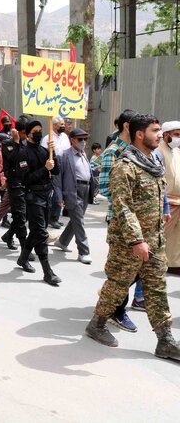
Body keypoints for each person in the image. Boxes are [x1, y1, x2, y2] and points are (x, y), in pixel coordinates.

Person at [85, 114, 180, 361]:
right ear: (140, 134)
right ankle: (96, 324)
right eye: (155, 130)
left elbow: (158, 199)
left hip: (155, 240)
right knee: (117, 286)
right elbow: (122, 206)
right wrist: (137, 240)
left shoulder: (154, 163)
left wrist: (163, 216)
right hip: (128, 242)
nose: (160, 135)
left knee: (157, 289)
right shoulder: (124, 166)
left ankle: (165, 341)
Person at [98, 109, 141, 331]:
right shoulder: (112, 152)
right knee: (123, 270)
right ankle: (116, 309)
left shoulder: (138, 152)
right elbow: (104, 187)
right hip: (121, 221)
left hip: (140, 221)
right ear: (127, 127)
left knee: (140, 268)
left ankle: (111, 295)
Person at [16, 120, 61, 286]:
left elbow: (56, 170)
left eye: (40, 130)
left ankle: (22, 258)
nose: (39, 133)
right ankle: (47, 272)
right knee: (41, 233)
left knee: (36, 231)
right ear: (28, 134)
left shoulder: (44, 151)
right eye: (35, 131)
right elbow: (25, 178)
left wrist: (53, 153)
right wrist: (44, 169)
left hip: (46, 194)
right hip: (33, 196)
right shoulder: (23, 153)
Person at [54, 129, 95, 264]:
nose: (83, 142)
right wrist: (59, 197)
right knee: (79, 221)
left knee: (76, 220)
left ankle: (62, 241)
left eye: (85, 139)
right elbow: (57, 179)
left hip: (86, 189)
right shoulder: (64, 156)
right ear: (72, 140)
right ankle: (84, 251)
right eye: (80, 139)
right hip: (72, 191)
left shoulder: (83, 154)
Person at [0, 116, 32, 250]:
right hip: (15, 183)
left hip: (27, 182)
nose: (27, 135)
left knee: (25, 214)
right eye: (25, 133)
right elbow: (13, 159)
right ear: (18, 132)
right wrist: (17, 143)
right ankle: (25, 249)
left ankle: (9, 235)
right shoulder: (8, 143)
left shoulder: (27, 144)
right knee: (20, 214)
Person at [159, 121, 180, 275]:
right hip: (166, 201)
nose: (179, 138)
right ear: (166, 135)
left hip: (178, 201)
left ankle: (173, 263)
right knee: (161, 235)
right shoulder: (158, 151)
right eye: (176, 135)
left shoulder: (177, 152)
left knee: (176, 236)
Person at [41, 116, 70, 229]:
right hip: (54, 167)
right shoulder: (48, 138)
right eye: (61, 124)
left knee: (61, 192)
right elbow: (44, 153)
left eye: (63, 124)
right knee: (55, 193)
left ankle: (56, 217)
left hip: (64, 165)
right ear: (54, 125)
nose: (63, 126)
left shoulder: (65, 137)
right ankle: (51, 218)